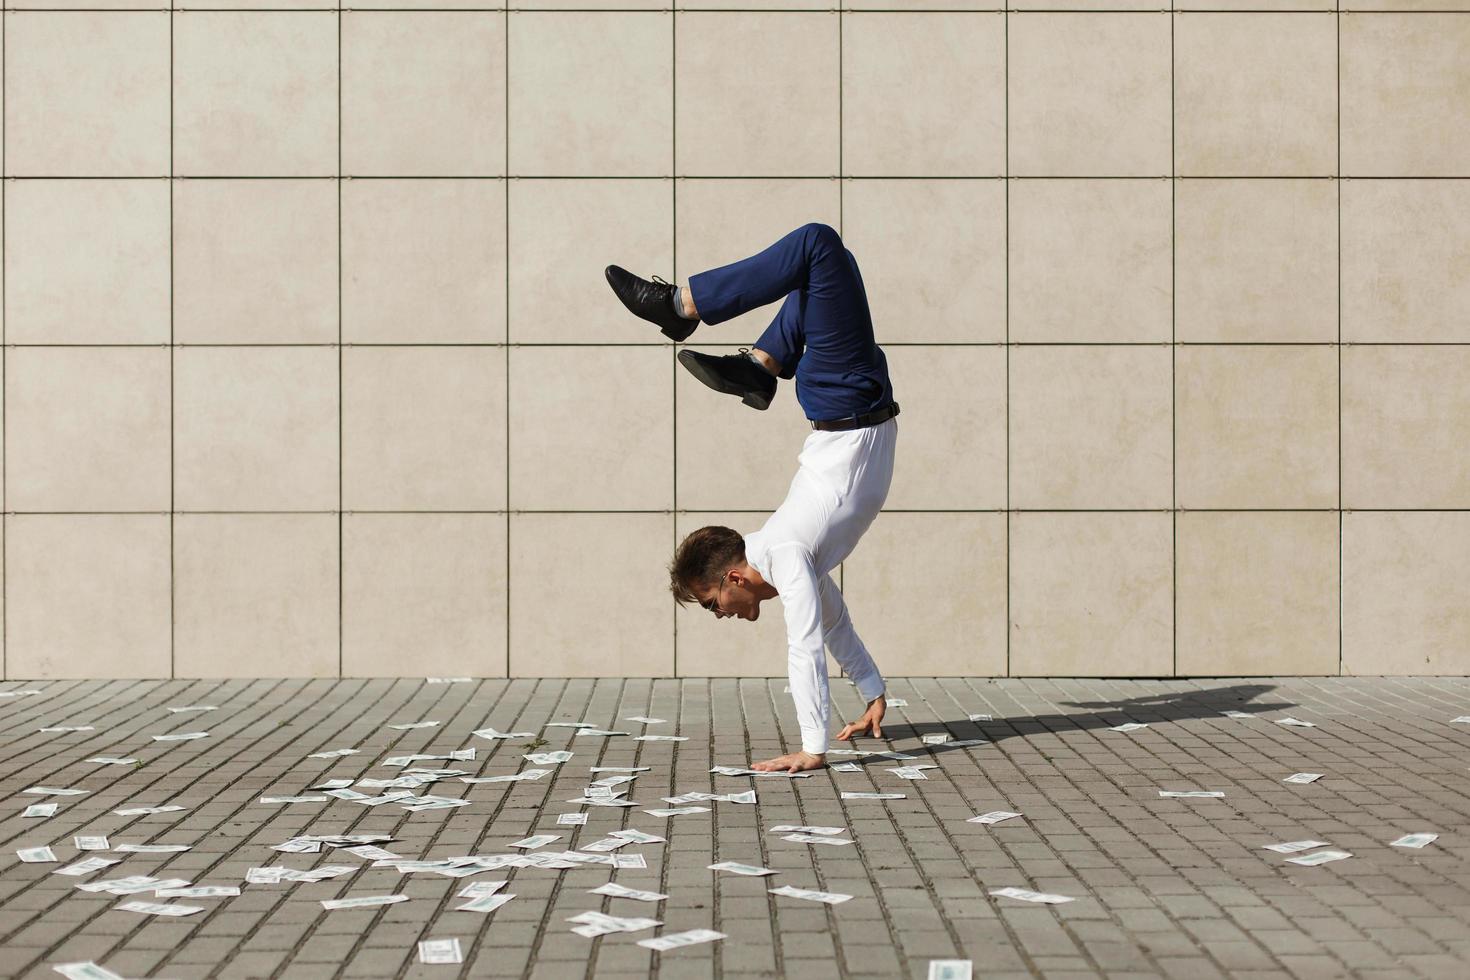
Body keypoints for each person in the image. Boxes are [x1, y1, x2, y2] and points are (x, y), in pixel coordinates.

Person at [605, 222, 899, 773]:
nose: (721, 615)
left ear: (733, 578)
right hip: (851, 399)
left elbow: (806, 644)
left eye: (714, 604)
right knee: (818, 263)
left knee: (817, 247)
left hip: (846, 396)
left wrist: (814, 748)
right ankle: (759, 366)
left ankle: (684, 308)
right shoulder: (791, 559)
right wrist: (873, 690)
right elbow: (835, 623)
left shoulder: (786, 554)